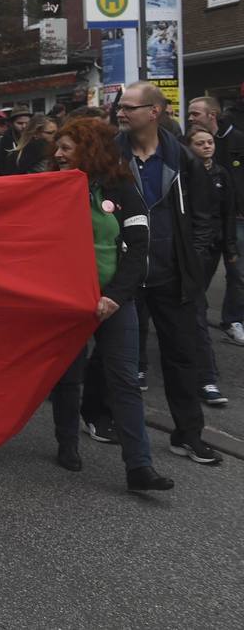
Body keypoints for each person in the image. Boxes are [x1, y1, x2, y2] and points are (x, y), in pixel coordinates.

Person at [87, 82, 220, 465]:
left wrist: (191, 261)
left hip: (170, 275)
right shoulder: (109, 156)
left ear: (154, 112)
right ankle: (96, 414)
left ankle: (188, 434)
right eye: (120, 107)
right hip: (124, 274)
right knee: (114, 355)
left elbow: (202, 217)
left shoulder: (182, 158)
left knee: (182, 355)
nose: (121, 113)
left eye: (129, 107)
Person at [48, 118, 174, 492]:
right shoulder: (50, 187)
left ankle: (139, 467)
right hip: (66, 301)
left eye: (66, 149)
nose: (56, 154)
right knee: (69, 378)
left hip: (115, 300)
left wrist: (115, 296)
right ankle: (66, 444)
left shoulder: (123, 187)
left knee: (124, 381)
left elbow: (138, 247)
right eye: (57, 147)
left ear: (90, 151)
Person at [186, 125, 237, 406]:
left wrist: (230, 248)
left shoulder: (221, 174)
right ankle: (205, 377)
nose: (207, 146)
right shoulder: (185, 174)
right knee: (194, 308)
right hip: (188, 250)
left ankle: (206, 376)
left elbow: (228, 212)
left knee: (197, 305)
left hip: (212, 246)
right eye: (200, 143)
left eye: (209, 142)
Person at [187, 96, 244, 344]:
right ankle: (193, 320)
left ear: (212, 114)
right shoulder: (187, 146)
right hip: (203, 224)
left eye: (195, 113)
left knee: (237, 273)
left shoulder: (237, 140)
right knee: (200, 277)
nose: (190, 118)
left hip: (235, 219)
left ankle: (233, 320)